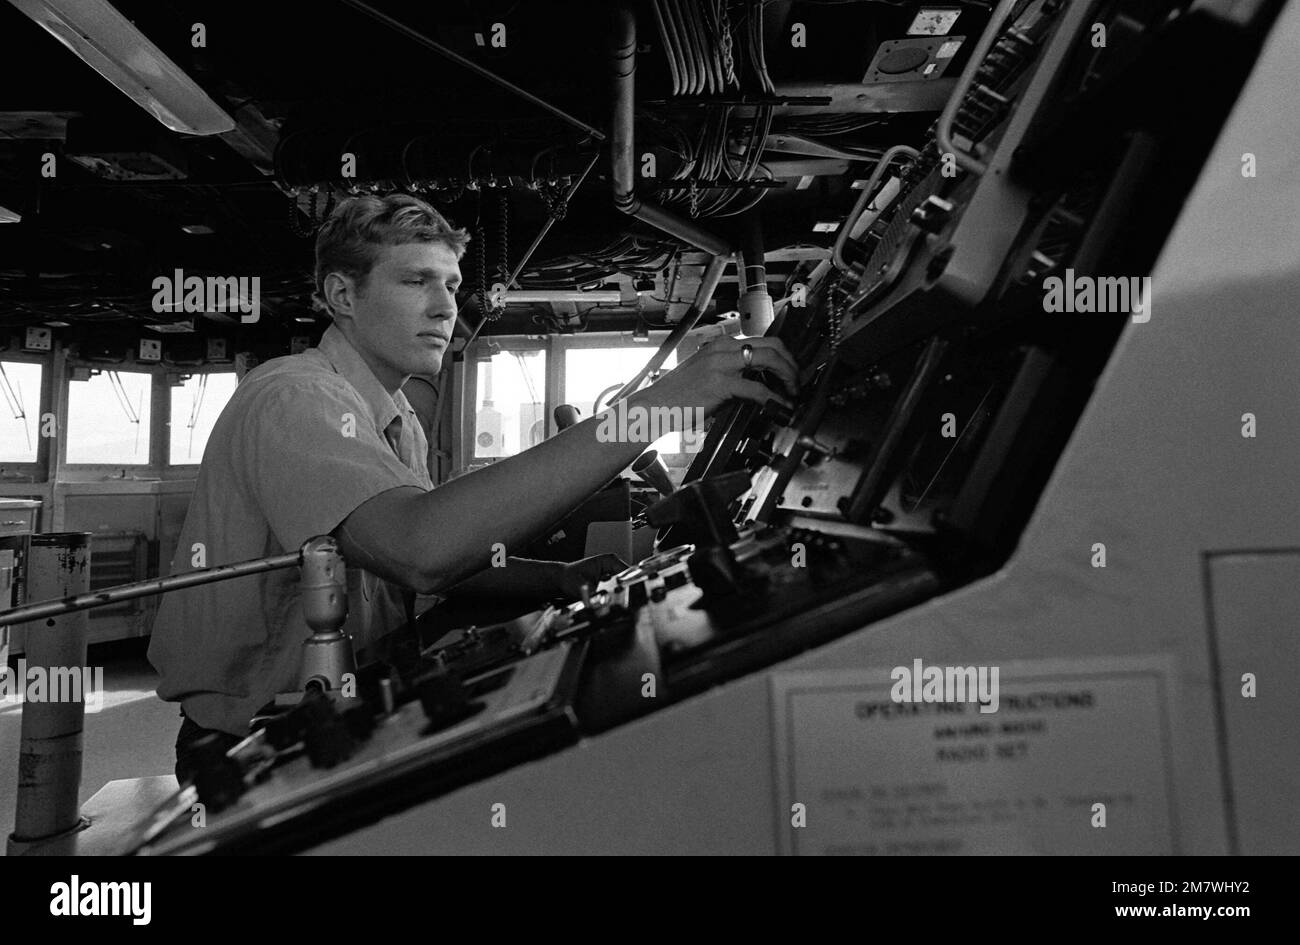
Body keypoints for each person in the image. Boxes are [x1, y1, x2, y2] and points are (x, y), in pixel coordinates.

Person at [148, 193, 798, 782]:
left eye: (452, 284)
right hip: (251, 746)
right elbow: (420, 547)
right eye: (416, 280)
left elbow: (430, 564)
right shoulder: (295, 397)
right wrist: (664, 403)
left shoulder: (396, 420)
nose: (445, 306)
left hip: (333, 709)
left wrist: (556, 578)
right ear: (343, 295)